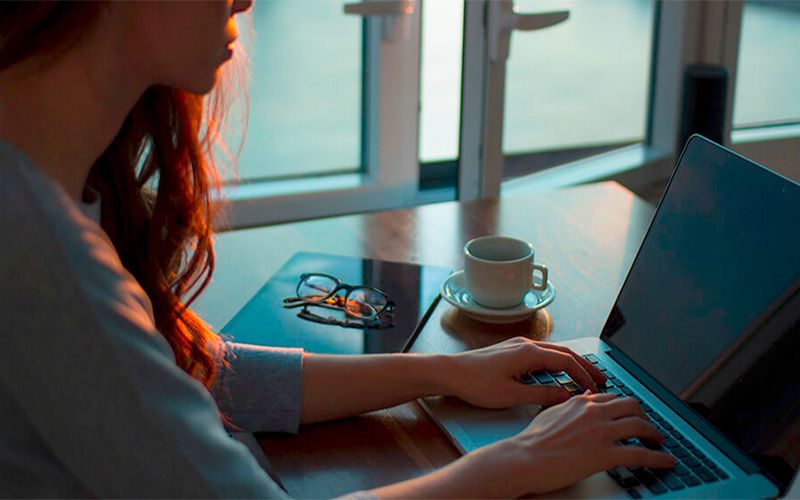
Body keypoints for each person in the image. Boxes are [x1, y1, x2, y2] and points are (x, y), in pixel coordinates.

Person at [0, 1, 674, 497]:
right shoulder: (40, 254)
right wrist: (519, 462)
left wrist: (441, 374)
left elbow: (188, 373)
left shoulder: (41, 190)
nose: (245, 1)